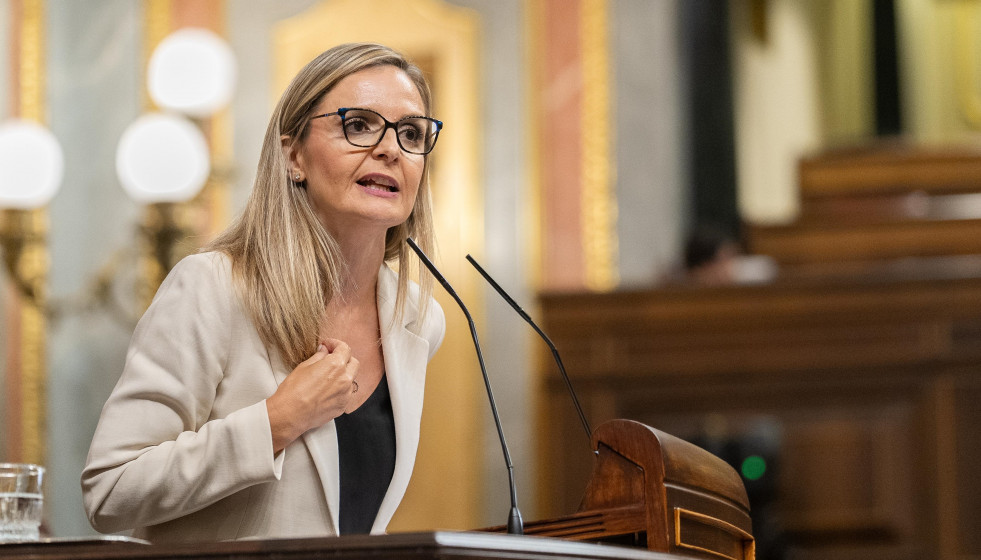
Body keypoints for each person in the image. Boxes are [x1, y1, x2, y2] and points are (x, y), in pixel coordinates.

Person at [81, 43, 446, 543]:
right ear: (292, 154)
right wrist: (277, 421)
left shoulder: (418, 319)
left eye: (411, 133)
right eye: (358, 125)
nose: (389, 148)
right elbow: (110, 490)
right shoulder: (213, 287)